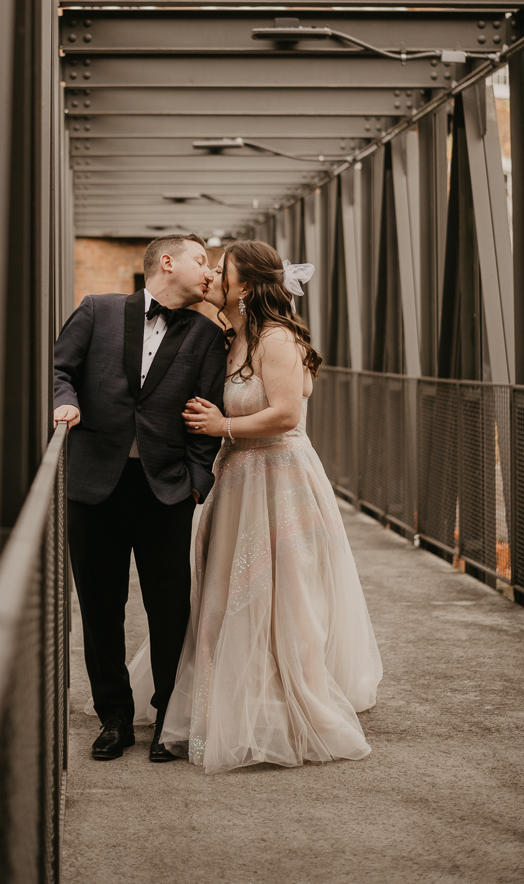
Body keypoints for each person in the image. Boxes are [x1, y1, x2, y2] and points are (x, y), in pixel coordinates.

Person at [133, 239, 383, 773]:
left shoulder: (275, 338)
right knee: (224, 594)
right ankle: (223, 703)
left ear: (243, 287)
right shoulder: (227, 339)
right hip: (237, 479)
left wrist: (222, 425)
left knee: (285, 596)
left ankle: (287, 705)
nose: (212, 276)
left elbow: (287, 414)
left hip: (280, 479)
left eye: (220, 270)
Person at [53, 234, 226, 763]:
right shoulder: (97, 310)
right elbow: (62, 370)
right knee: (100, 607)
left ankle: (167, 717)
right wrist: (65, 403)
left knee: (169, 608)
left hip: (166, 488)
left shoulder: (206, 335)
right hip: (93, 485)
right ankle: (114, 718)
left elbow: (210, 415)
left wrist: (198, 481)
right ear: (167, 262)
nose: (211, 273)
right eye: (203, 261)